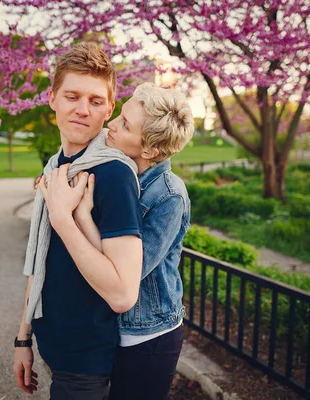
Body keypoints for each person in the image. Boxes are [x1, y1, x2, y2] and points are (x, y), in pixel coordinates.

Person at [40, 82, 194, 399]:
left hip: (147, 336)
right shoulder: (114, 168)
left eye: (124, 124)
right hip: (110, 328)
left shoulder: (169, 195)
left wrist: (79, 217)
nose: (111, 125)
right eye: (120, 115)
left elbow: (126, 274)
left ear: (150, 149)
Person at [13, 42, 144, 400]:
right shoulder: (55, 168)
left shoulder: (112, 175)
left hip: (86, 362)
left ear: (109, 108)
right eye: (72, 96)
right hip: (52, 347)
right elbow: (37, 262)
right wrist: (23, 338)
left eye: (96, 101)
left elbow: (122, 293)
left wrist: (63, 217)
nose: (82, 110)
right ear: (52, 98)